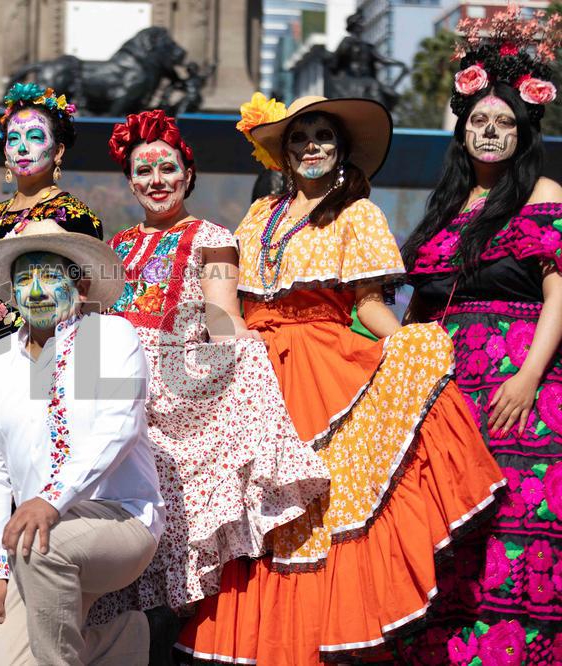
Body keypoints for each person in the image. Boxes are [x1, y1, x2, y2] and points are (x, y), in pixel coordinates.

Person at [176, 94, 505, 665]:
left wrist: (405, 341)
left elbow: (371, 303)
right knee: (258, 507)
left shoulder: (358, 214)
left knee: (323, 507)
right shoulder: (259, 216)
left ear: (342, 150)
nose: (311, 147)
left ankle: (315, 640)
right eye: (300, 138)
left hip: (322, 362)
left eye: (323, 136)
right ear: (283, 151)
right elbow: (226, 300)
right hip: (256, 367)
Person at [97, 108, 329, 656]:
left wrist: (244, 354)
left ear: (187, 174)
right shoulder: (119, 242)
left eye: (167, 168)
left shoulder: (213, 236)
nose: (156, 181)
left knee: (174, 519)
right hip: (119, 381)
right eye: (143, 171)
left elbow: (223, 316)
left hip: (179, 383)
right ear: (130, 180)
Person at [397, 8, 561, 661]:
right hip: (445, 399)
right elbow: (408, 303)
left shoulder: (545, 194)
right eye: (478, 122)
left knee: (518, 534)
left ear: (523, 133)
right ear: (462, 131)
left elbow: (560, 294)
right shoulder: (441, 209)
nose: (490, 132)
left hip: (521, 396)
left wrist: (527, 378)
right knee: (450, 536)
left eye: (503, 123)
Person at [0, 219, 166, 665]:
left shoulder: (111, 336)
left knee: (44, 548)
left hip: (121, 520)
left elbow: (119, 427)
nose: (35, 291)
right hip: (35, 538)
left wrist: (50, 501)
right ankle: (121, 640)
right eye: (24, 278)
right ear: (12, 294)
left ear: (79, 285)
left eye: (50, 275)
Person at [0, 82, 103, 367]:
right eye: (13, 139)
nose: (22, 147)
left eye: (35, 136)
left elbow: (82, 300)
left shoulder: (73, 215)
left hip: (34, 358)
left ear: (58, 151)